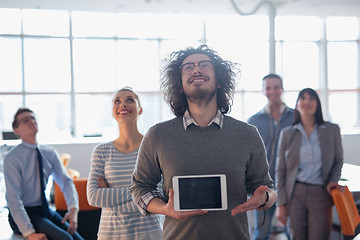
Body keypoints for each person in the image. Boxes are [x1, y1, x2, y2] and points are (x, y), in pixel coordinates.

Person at [129, 45, 277, 240]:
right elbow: (140, 187)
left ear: (219, 82)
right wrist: (165, 209)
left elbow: (268, 189)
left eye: (205, 65)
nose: (196, 69)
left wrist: (265, 198)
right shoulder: (158, 135)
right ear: (180, 86)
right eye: (188, 67)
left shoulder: (247, 134)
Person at [87, 87, 163, 240]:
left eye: (130, 100)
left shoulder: (154, 147)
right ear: (113, 112)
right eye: (117, 101)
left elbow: (160, 193)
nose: (123, 104)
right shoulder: (101, 151)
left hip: (149, 233)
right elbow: (94, 196)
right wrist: (142, 191)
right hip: (110, 233)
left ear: (140, 109)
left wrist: (110, 199)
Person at [3, 107, 84, 240]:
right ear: (17, 131)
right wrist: (28, 232)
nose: (31, 121)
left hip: (45, 210)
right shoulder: (12, 157)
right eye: (25, 120)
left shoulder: (49, 152)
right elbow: (13, 198)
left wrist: (73, 209)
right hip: (24, 212)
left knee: (78, 238)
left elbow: (66, 182)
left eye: (33, 118)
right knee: (66, 239)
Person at [275, 88, 343, 240]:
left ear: (317, 104)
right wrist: (281, 204)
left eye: (311, 98)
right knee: (296, 237)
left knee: (319, 237)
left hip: (320, 193)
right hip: (294, 194)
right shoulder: (287, 134)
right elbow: (280, 171)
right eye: (302, 98)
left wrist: (333, 180)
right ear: (297, 104)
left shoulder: (332, 130)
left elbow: (338, 160)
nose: (306, 102)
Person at [247, 74, 293, 240]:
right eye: (268, 87)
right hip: (263, 187)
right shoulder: (253, 121)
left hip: (291, 186)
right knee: (260, 234)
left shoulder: (296, 118)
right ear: (263, 91)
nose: (272, 91)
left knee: (294, 233)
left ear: (282, 89)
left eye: (276, 87)